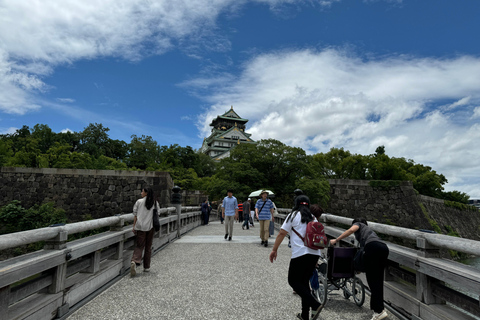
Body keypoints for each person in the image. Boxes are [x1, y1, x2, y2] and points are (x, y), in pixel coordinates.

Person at [269, 195, 323, 320]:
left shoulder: (293, 215)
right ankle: (305, 315)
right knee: (304, 284)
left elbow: (282, 233)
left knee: (293, 281)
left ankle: (315, 304)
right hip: (314, 254)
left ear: (296, 204)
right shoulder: (313, 217)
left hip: (300, 253)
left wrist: (274, 250)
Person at [330, 218, 389, 320]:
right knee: (378, 281)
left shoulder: (359, 224)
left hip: (373, 248)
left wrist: (336, 240)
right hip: (384, 248)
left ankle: (378, 311)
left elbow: (351, 230)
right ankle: (380, 309)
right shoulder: (369, 232)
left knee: (372, 281)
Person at [131, 186, 159, 277]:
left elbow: (135, 215)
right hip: (150, 227)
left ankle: (135, 261)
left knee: (139, 245)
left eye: (142, 191)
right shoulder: (155, 203)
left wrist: (134, 226)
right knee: (148, 247)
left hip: (140, 227)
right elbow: (158, 214)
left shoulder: (139, 202)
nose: (141, 193)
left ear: (146, 193)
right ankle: (146, 266)